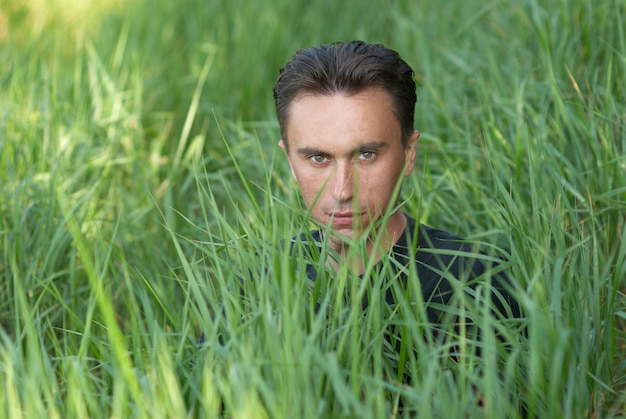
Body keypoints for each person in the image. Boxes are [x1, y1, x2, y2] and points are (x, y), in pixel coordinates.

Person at [273, 40, 523, 362]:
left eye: (366, 155)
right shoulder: (264, 280)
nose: (342, 191)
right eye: (318, 158)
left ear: (409, 153)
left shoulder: (473, 283)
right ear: (290, 162)